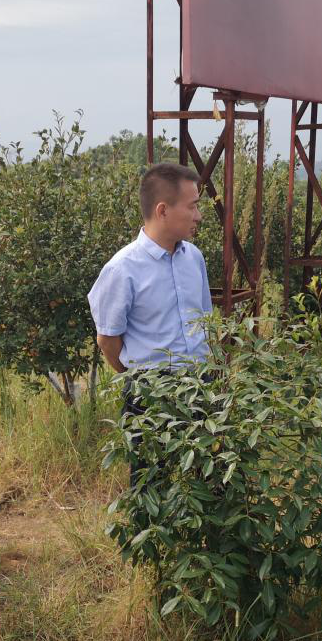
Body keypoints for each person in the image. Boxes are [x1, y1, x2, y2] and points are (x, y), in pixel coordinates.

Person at [87, 162, 210, 480]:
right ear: (162, 210)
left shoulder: (194, 258)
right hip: (150, 395)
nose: (198, 216)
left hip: (201, 388)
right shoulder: (122, 269)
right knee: (151, 484)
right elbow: (108, 340)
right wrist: (139, 380)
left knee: (207, 483)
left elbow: (206, 325)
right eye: (192, 206)